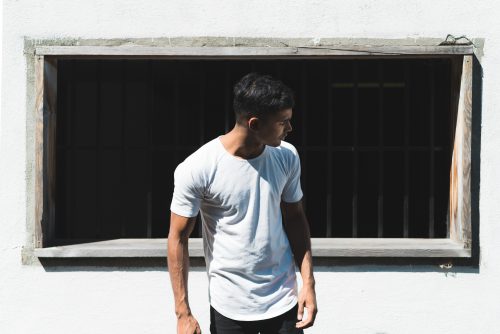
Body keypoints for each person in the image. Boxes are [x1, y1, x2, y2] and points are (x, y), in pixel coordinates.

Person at [168, 72, 317, 334]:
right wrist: (183, 313)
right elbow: (177, 238)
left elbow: (295, 219)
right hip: (230, 303)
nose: (290, 129)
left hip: (283, 299)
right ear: (255, 124)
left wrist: (308, 283)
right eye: (283, 122)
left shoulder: (287, 156)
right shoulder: (198, 167)